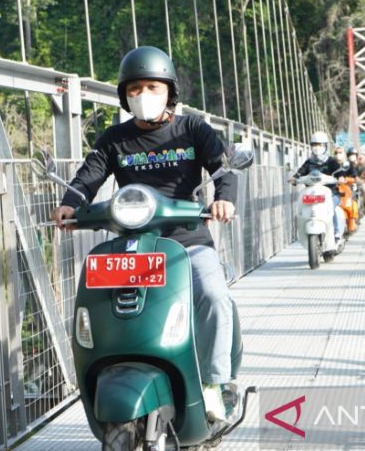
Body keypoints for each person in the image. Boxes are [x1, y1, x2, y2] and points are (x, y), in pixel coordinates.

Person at [50, 46, 238, 422]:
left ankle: (215, 383)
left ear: (169, 90)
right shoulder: (114, 138)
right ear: (124, 96)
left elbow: (223, 167)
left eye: (152, 86)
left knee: (214, 296)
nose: (143, 95)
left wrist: (224, 200)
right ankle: (110, 371)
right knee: (98, 305)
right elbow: (89, 176)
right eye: (134, 89)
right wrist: (70, 203)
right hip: (131, 243)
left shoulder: (192, 129)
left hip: (186, 240)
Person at [290, 132, 356, 242]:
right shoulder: (309, 162)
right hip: (312, 192)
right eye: (314, 144)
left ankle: (336, 232)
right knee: (301, 205)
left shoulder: (331, 161)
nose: (316, 147)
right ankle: (301, 231)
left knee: (331, 207)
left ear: (325, 146)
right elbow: (301, 172)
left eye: (319, 144)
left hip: (330, 192)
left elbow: (339, 172)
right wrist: (295, 178)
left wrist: (340, 177)